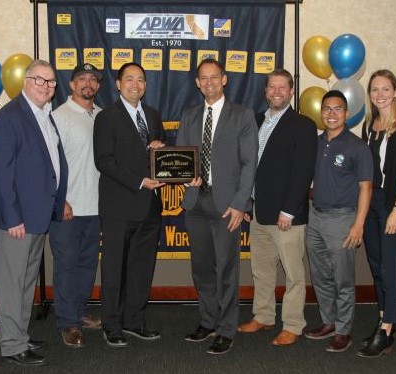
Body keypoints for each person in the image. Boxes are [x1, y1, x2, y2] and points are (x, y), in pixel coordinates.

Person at [176, 58, 258, 355]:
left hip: (227, 207)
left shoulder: (242, 115)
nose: (209, 82)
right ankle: (208, 320)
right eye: (203, 79)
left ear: (224, 79)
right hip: (196, 204)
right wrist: (186, 179)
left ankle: (225, 329)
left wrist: (240, 204)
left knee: (226, 269)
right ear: (197, 83)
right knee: (201, 269)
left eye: (214, 77)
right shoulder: (190, 114)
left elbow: (250, 163)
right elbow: (183, 158)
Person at [0, 60, 68, 366]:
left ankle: (19, 334)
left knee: (25, 282)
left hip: (38, 216)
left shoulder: (43, 115)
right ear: (25, 81)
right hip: (17, 222)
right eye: (39, 80)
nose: (46, 86)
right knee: (12, 283)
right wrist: (12, 219)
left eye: (50, 82)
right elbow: (2, 173)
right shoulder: (10, 117)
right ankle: (11, 345)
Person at [238, 69, 317, 347]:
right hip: (259, 212)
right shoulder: (256, 120)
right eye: (272, 87)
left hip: (287, 216)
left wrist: (289, 210)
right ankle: (264, 316)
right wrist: (246, 201)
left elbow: (303, 171)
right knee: (262, 270)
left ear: (291, 91)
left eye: (282, 87)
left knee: (294, 274)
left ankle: (294, 324)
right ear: (265, 90)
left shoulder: (303, 125)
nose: (276, 92)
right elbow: (248, 165)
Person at [93, 62, 165, 348]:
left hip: (149, 208)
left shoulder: (153, 115)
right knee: (114, 268)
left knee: (141, 268)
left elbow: (162, 155)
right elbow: (104, 161)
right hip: (119, 206)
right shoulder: (107, 117)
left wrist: (162, 146)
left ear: (146, 86)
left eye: (141, 80)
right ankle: (112, 324)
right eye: (130, 79)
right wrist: (140, 181)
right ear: (118, 84)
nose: (136, 84)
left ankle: (135, 321)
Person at [305, 90, 373, 353]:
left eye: (337, 109)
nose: (331, 114)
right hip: (316, 216)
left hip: (343, 219)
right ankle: (329, 321)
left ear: (347, 113)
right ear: (321, 113)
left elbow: (366, 188)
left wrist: (359, 224)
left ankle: (344, 330)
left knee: (342, 279)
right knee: (320, 275)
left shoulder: (357, 147)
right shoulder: (317, 143)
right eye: (327, 109)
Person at [357, 70, 396, 358]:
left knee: (390, 268)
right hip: (371, 203)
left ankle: (388, 330)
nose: (379, 94)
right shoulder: (370, 125)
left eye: (385, 89)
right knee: (377, 263)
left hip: (393, 204)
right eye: (374, 89)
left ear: (395, 92)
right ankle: (384, 320)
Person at [49, 63, 104, 348]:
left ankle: (79, 312)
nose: (88, 83)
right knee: (67, 266)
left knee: (85, 265)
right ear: (71, 85)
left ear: (98, 86)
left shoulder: (102, 116)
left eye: (93, 79)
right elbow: (50, 163)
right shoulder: (58, 116)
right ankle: (67, 323)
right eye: (82, 78)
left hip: (95, 207)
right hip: (68, 209)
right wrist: (61, 200)